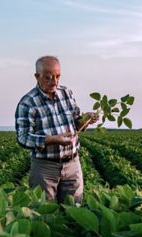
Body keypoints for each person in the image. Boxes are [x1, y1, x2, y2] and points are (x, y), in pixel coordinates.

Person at [15, 56, 99, 203]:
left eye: (57, 76)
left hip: (72, 164)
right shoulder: (27, 102)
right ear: (37, 76)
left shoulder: (66, 93)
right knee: (45, 213)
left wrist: (85, 120)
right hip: (44, 167)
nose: (54, 81)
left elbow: (76, 123)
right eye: (48, 77)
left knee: (74, 210)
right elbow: (22, 137)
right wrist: (52, 140)